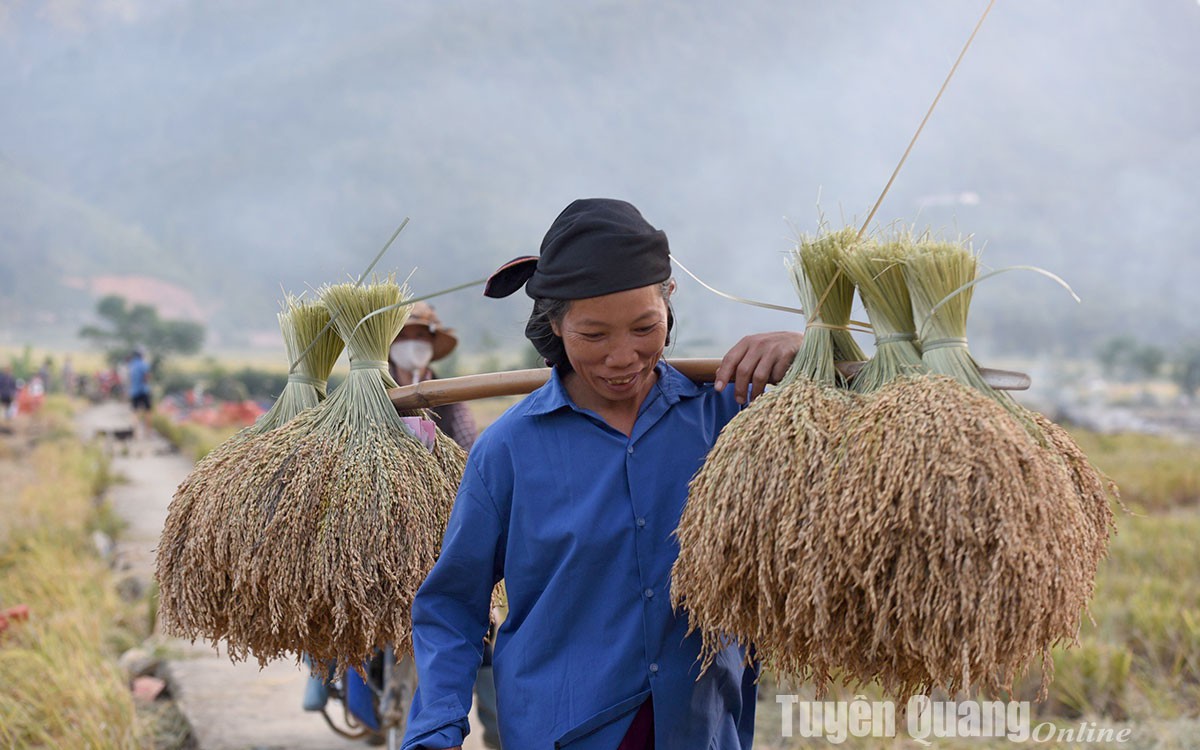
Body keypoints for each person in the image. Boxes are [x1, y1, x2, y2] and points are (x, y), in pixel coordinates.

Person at [401, 198, 803, 750]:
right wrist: (436, 728)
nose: (623, 357)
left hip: (701, 726)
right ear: (556, 325)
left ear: (670, 304)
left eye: (645, 327)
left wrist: (813, 354)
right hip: (561, 730)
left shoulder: (727, 420)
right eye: (594, 335)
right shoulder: (509, 450)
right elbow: (453, 605)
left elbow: (860, 449)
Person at [127, 347, 152, 437]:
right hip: (144, 391)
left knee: (135, 412)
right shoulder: (144, 364)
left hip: (134, 391)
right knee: (147, 412)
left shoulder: (131, 365)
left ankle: (135, 433)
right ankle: (147, 433)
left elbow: (130, 378)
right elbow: (146, 377)